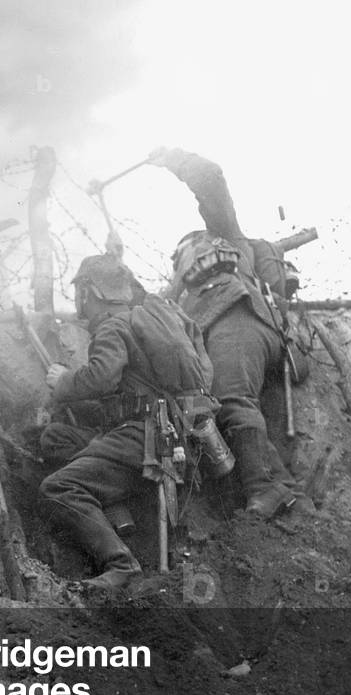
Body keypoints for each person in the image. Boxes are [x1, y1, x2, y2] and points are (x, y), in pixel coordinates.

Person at [38, 254, 217, 591]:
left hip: (146, 437)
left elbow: (101, 378)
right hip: (177, 435)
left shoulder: (113, 325)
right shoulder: (153, 320)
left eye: (80, 291)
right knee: (56, 439)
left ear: (89, 291)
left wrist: (63, 381)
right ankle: (113, 502)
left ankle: (121, 565)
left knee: (58, 487)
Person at [148, 146, 305, 519]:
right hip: (218, 336)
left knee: (232, 399)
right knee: (217, 406)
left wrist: (176, 160)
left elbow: (212, 179)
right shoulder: (180, 294)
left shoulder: (227, 238)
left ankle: (263, 488)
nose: (184, 260)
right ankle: (282, 488)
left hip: (242, 319)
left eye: (188, 251)